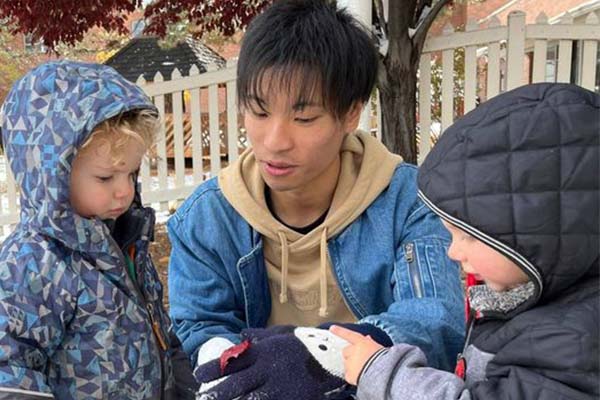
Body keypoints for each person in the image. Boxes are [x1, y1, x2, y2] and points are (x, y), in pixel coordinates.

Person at [168, 1, 464, 397]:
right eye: (258, 112)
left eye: (304, 119)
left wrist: (317, 356)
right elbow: (200, 327)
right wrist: (225, 358)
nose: (274, 142)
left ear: (350, 114)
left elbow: (435, 322)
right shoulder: (207, 217)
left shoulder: (406, 202)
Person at [331, 82, 600, 399]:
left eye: (469, 236)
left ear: (544, 232)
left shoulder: (572, 344)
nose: (453, 251)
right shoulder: (536, 297)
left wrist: (384, 375)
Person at [0, 61, 196, 400]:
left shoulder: (126, 240)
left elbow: (159, 332)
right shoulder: (33, 262)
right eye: (105, 177)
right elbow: (10, 368)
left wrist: (185, 385)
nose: (124, 191)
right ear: (53, 175)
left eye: (132, 174)